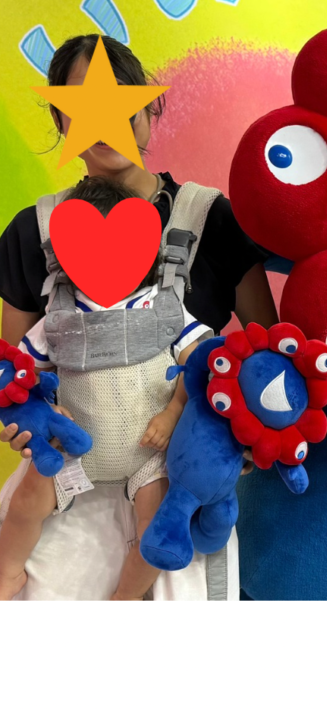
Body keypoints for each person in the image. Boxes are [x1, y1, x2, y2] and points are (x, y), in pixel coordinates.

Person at [0, 34, 277, 600]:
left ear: (151, 108)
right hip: (65, 498)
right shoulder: (34, 230)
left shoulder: (210, 217)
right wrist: (25, 416)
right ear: (59, 117)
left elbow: (265, 353)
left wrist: (244, 432)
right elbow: (13, 369)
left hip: (176, 491)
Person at [0, 176, 213, 600]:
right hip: (71, 448)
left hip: (149, 452)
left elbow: (203, 365)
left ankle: (125, 598)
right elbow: (21, 374)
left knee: (158, 528)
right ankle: (8, 573)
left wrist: (173, 413)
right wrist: (42, 411)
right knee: (24, 505)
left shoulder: (163, 306)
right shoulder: (58, 314)